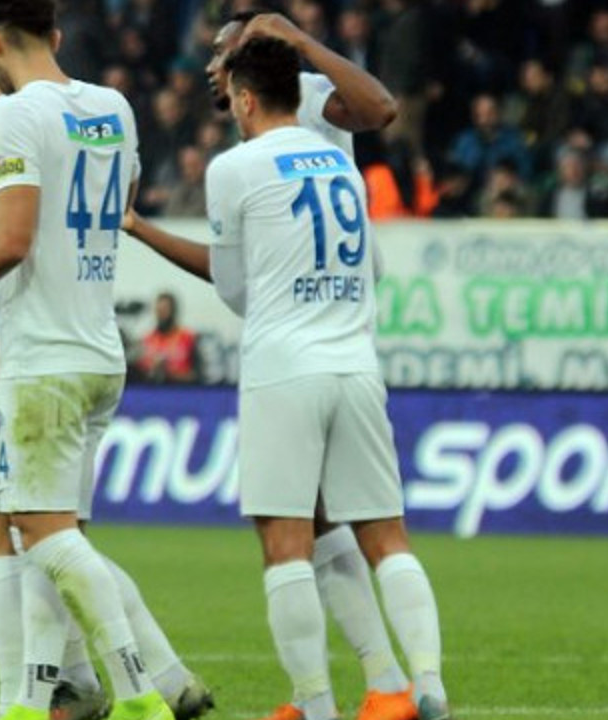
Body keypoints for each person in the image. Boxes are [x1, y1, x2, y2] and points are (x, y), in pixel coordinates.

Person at [0, 50, 210, 720]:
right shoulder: (87, 122)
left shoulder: (16, 136)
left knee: (28, 534)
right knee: (48, 538)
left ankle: (134, 690)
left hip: (47, 367)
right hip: (78, 352)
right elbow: (40, 268)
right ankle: (85, 692)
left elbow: (13, 245)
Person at [124, 13, 418, 720]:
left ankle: (363, 690)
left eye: (219, 55)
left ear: (253, 59)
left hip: (313, 329)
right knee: (316, 520)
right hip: (318, 324)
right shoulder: (250, 138)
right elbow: (239, 274)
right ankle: (379, 683)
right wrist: (139, 228)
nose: (209, 71)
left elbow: (381, 109)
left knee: (300, 527)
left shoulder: (308, 97)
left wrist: (300, 39)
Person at [204, 36, 451, 720]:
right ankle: (427, 683)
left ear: (245, 100)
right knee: (387, 538)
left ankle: (315, 705)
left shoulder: (234, 167)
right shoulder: (342, 164)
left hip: (283, 369)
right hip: (356, 366)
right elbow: (371, 268)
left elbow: (232, 288)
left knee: (285, 547)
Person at [135, 293, 201, 384]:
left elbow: (198, 375)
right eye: (159, 311)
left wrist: (168, 373)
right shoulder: (147, 340)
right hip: (152, 389)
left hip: (182, 389)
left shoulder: (188, 338)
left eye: (165, 311)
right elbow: (140, 373)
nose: (161, 315)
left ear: (173, 311)